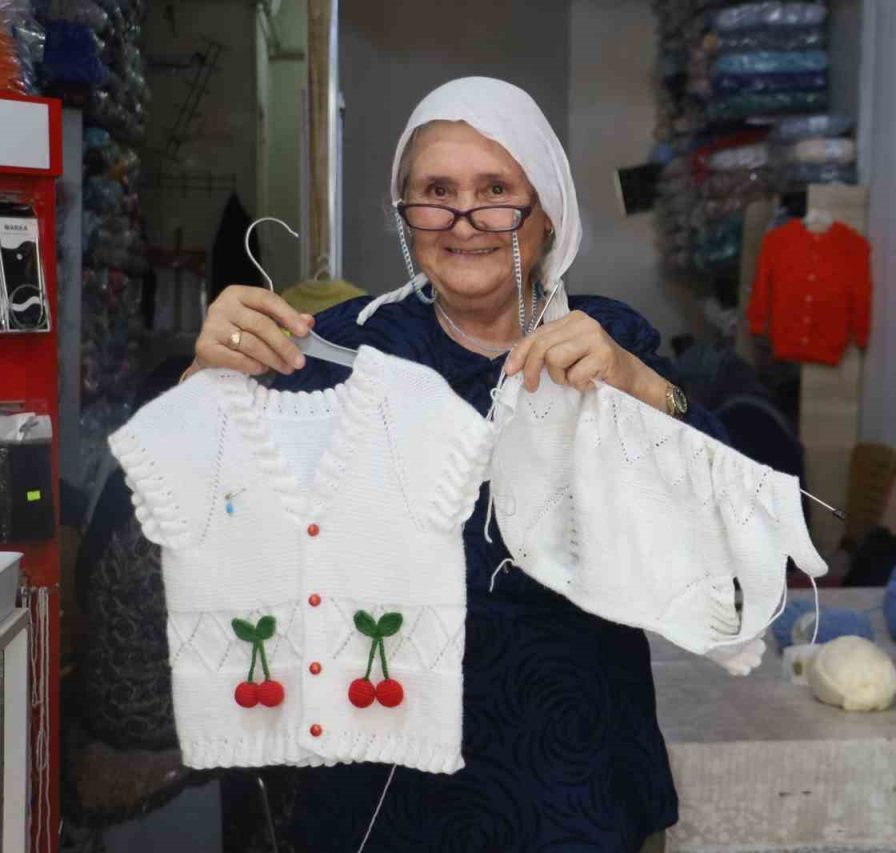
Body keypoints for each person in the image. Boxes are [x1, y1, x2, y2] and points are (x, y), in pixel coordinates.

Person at [182, 78, 720, 852]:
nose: (465, 219)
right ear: (406, 215)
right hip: (384, 809)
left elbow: (741, 547)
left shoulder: (612, 345)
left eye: (496, 190)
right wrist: (204, 381)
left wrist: (642, 387)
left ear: (546, 212)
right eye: (436, 191)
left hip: (581, 795)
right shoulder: (335, 352)